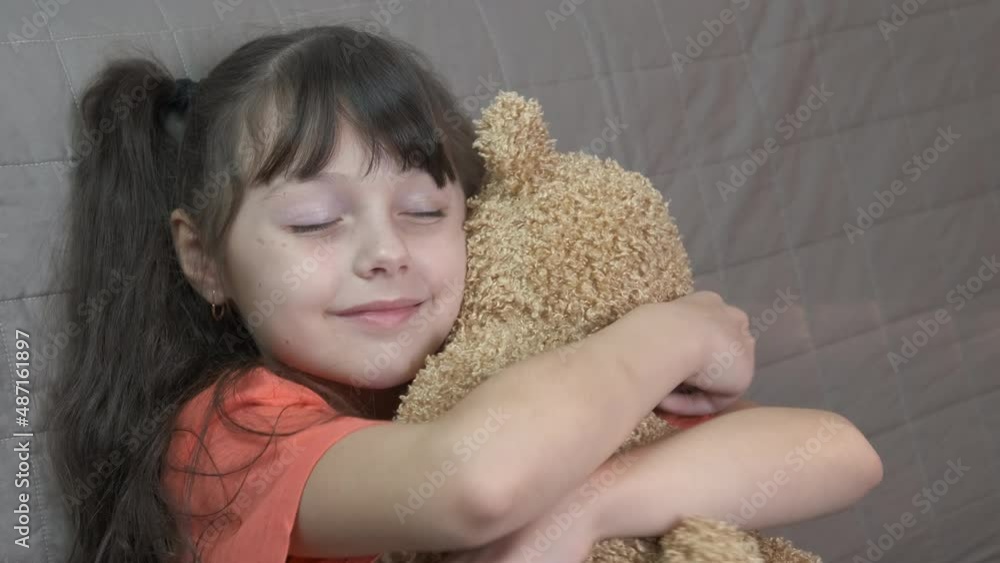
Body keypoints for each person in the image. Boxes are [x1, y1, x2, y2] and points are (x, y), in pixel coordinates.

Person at [47, 24, 883, 563]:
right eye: (314, 222)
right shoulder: (226, 434)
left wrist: (590, 504)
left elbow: (838, 451)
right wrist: (675, 332)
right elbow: (476, 482)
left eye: (422, 209)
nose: (385, 252)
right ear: (206, 260)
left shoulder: (498, 359)